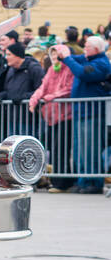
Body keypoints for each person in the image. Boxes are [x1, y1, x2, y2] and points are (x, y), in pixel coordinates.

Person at [58, 36, 111, 194]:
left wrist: (67, 57)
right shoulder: (87, 59)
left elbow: (82, 73)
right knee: (79, 150)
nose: (84, 49)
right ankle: (82, 180)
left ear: (96, 49)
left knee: (91, 149)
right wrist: (62, 53)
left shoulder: (101, 63)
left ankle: (93, 182)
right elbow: (73, 59)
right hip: (81, 111)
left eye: (87, 47)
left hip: (93, 112)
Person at [29, 45, 74, 192]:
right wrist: (34, 99)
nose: (54, 58)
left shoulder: (68, 69)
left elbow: (68, 88)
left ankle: (62, 183)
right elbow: (43, 87)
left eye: (57, 55)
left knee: (61, 149)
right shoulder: (50, 70)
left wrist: (51, 96)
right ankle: (56, 181)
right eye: (52, 55)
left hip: (65, 115)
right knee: (54, 150)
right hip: (51, 116)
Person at [0, 43, 45, 136]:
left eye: (9, 54)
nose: (6, 57)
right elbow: (8, 89)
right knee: (13, 146)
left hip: (28, 117)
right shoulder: (11, 70)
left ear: (17, 56)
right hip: (12, 116)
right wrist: (1, 95)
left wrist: (23, 97)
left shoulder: (33, 68)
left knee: (26, 146)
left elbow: (42, 89)